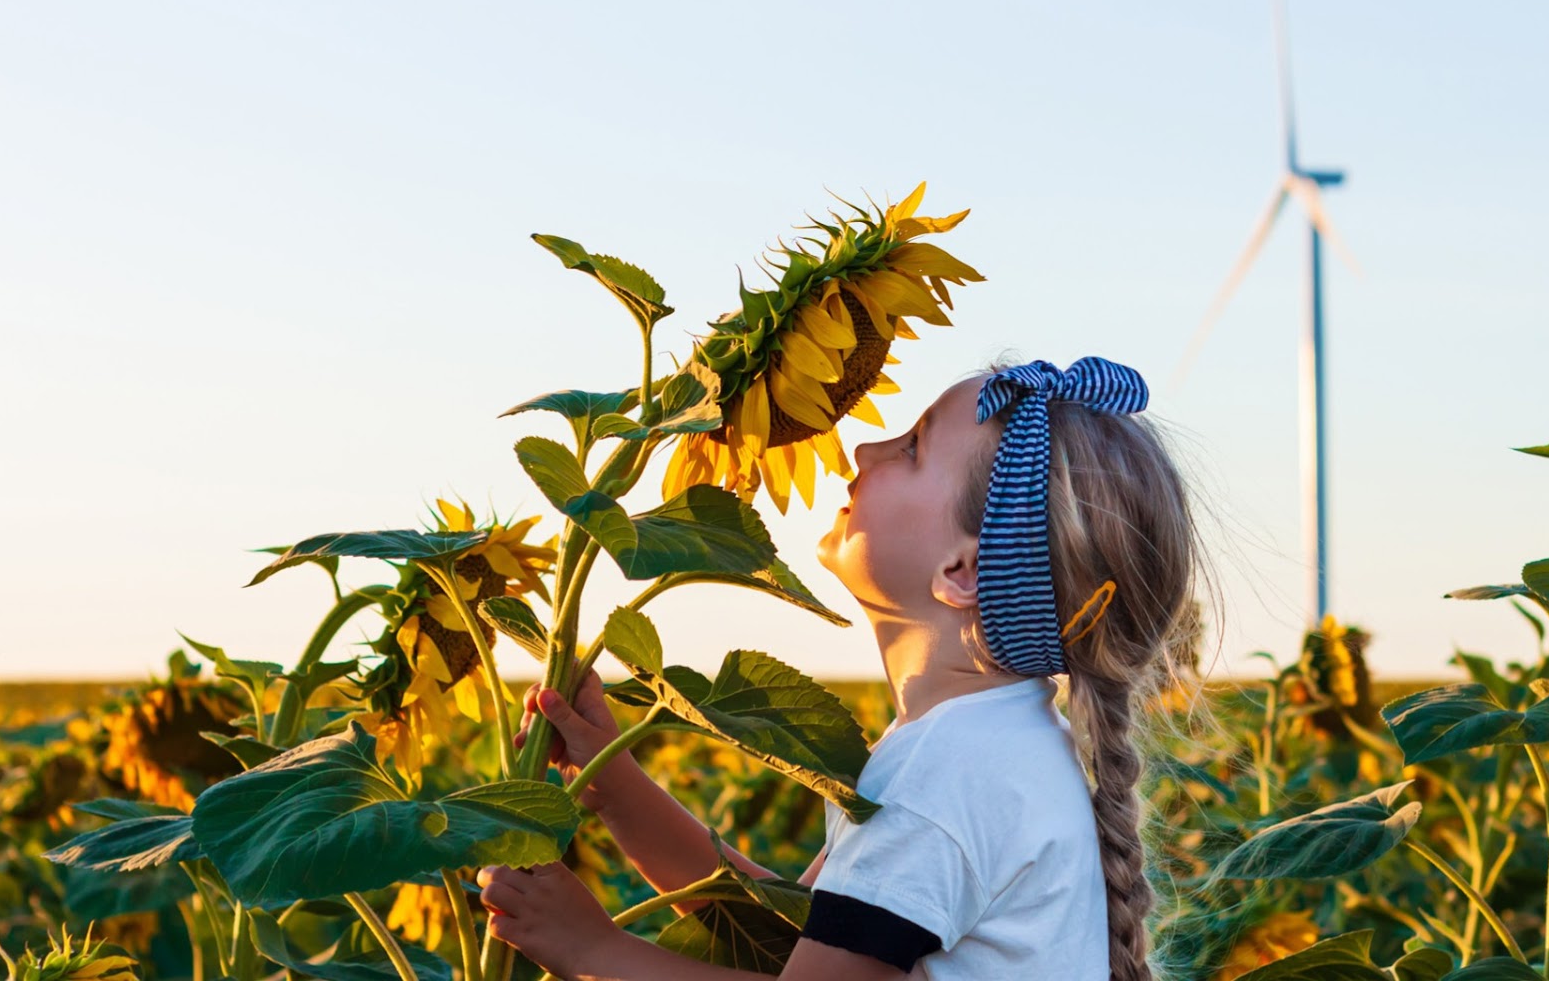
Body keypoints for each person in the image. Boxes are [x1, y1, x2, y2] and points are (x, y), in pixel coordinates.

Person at [481, 357, 1207, 981]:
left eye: (913, 447)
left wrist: (593, 948)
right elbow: (792, 935)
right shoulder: (987, 747)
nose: (865, 450)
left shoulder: (948, 775)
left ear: (962, 571)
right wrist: (616, 787)